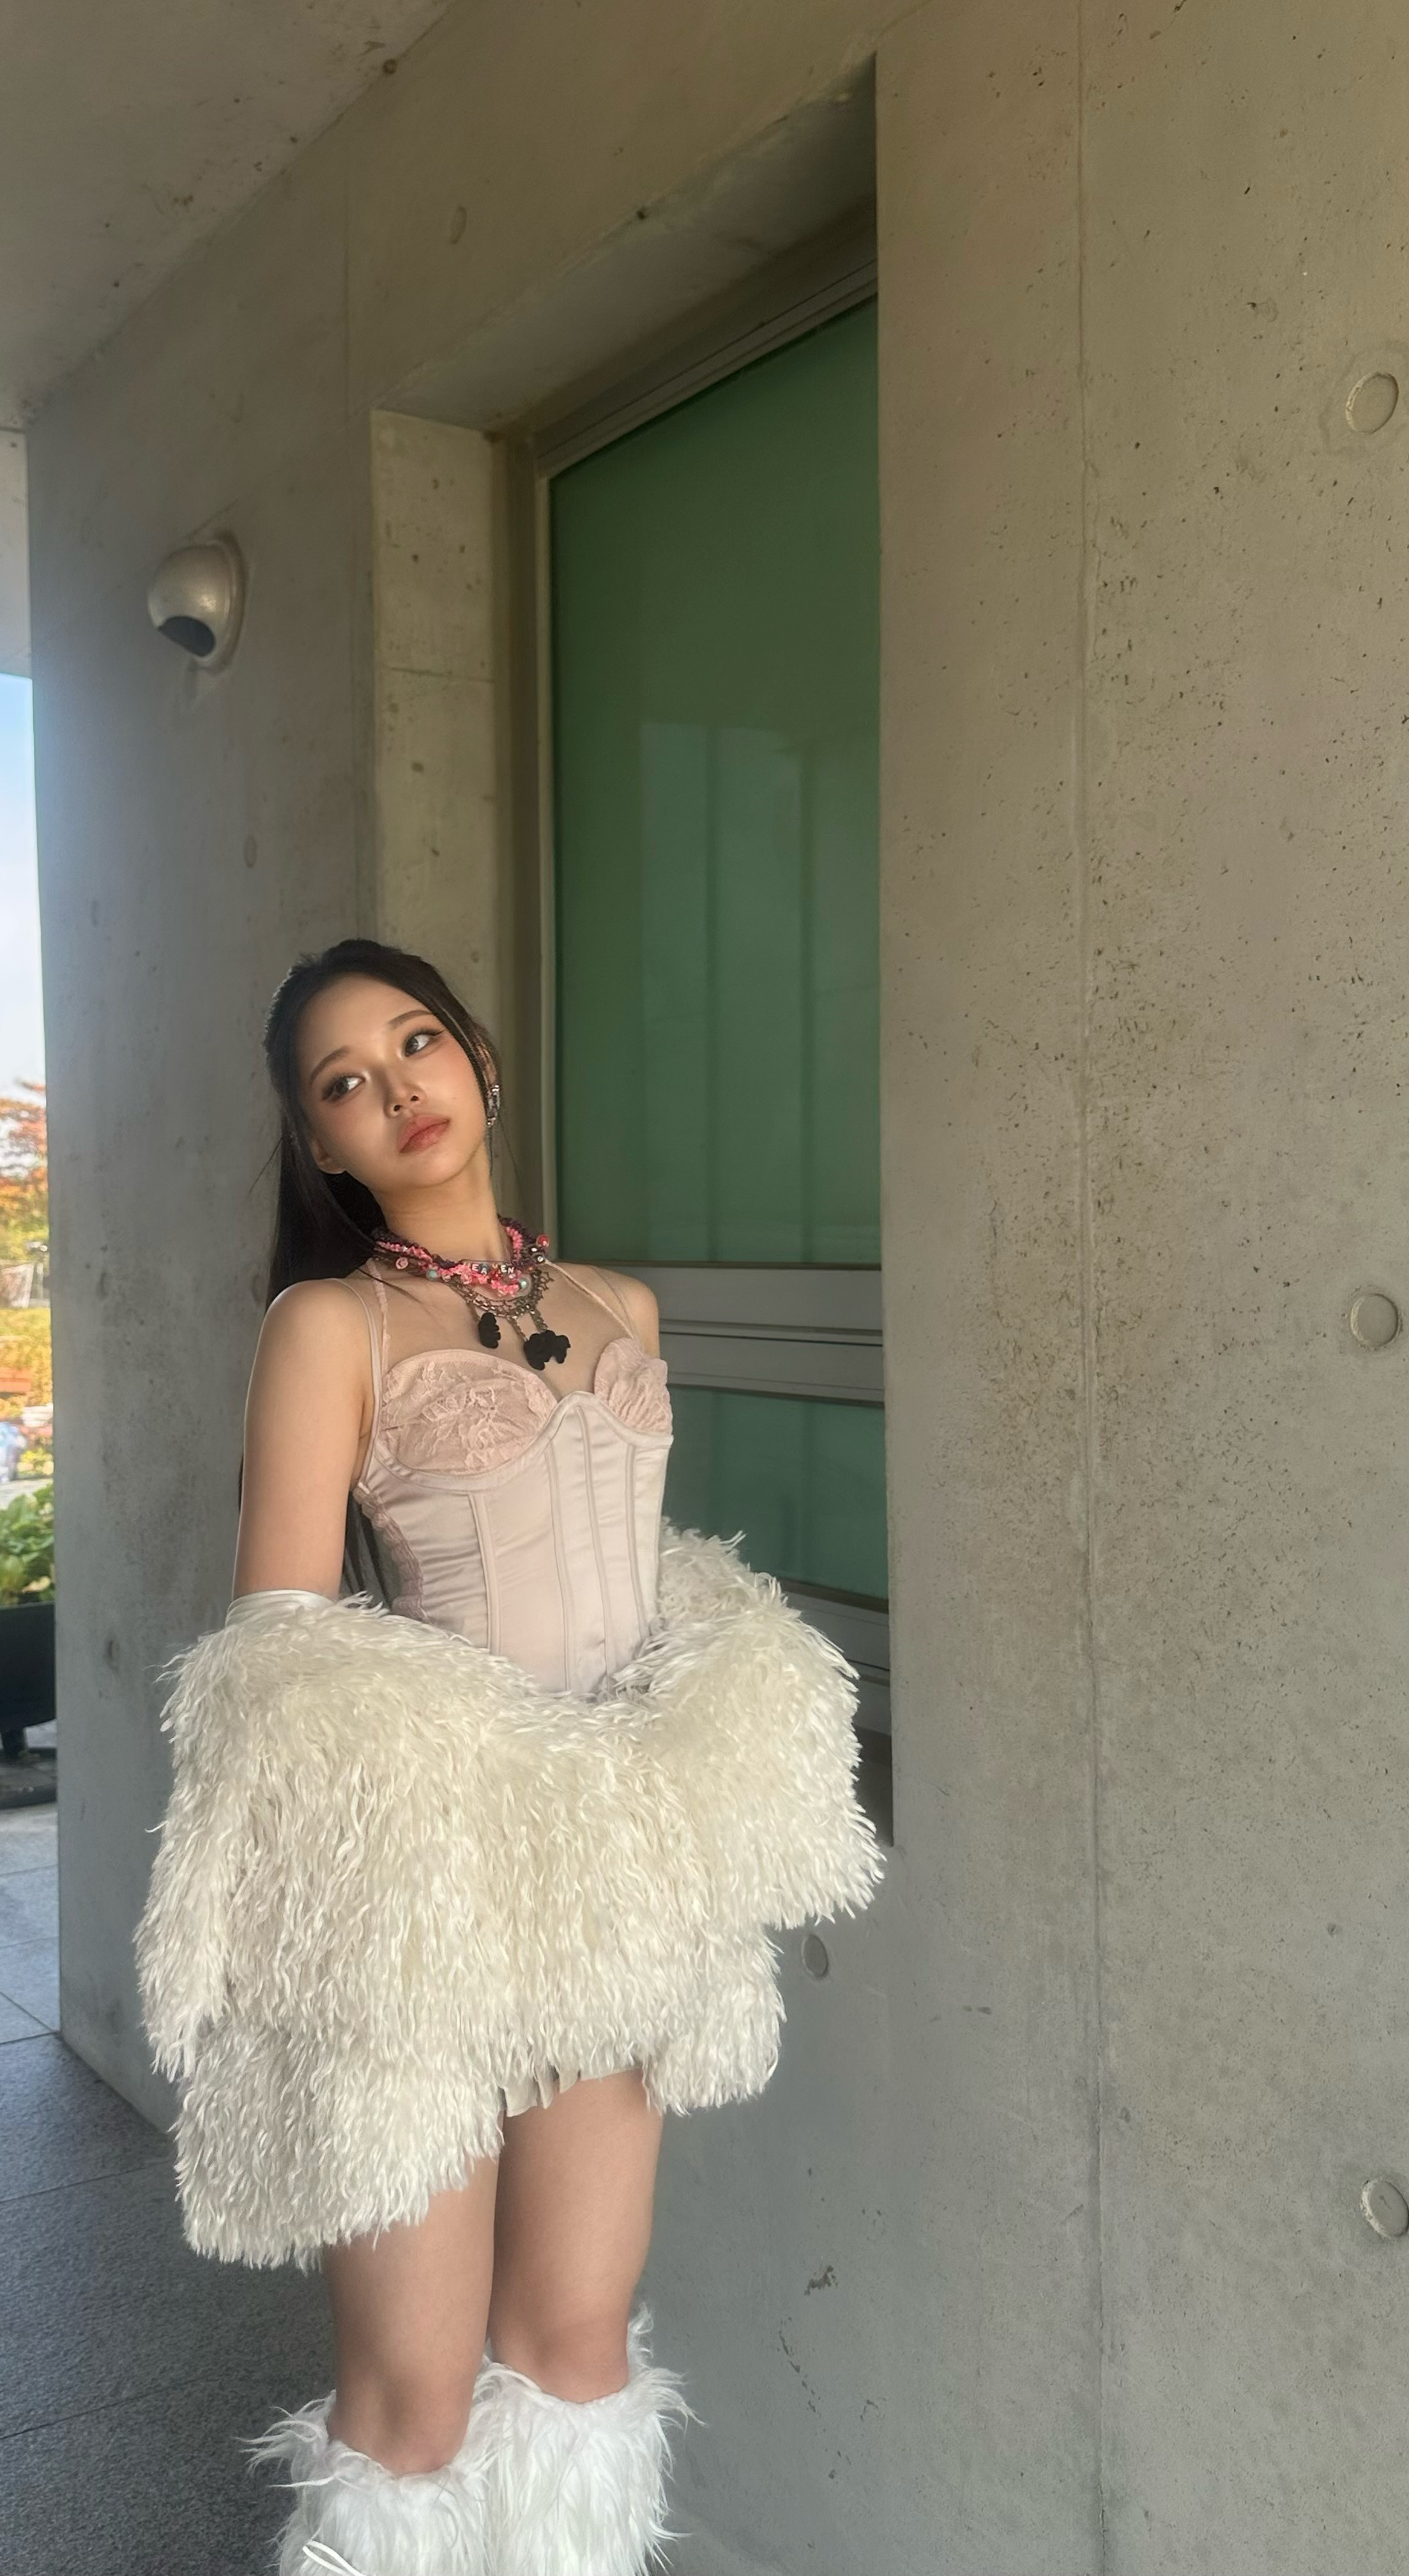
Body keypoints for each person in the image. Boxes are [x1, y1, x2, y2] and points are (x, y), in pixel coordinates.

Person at [135, 938, 883, 2575]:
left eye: (416, 1043)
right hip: (424, 1897)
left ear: (477, 1058)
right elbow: (279, 1648)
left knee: (574, 2346)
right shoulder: (328, 1324)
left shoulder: (620, 1306)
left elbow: (639, 1584)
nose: (396, 1088)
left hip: (610, 1883)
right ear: (321, 1142)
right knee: (412, 2404)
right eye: (346, 1081)